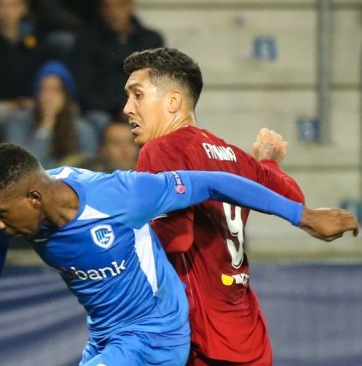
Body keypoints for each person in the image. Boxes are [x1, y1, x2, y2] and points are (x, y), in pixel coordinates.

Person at [0, 143, 358, 366]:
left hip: (155, 336)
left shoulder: (120, 196)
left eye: (1, 214)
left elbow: (211, 182)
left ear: (34, 196)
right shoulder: (18, 211)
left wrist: (301, 216)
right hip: (105, 339)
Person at [122, 47, 308, 365]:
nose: (127, 108)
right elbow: (294, 199)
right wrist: (268, 164)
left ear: (173, 101)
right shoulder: (234, 156)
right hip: (248, 337)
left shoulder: (160, 149)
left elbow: (176, 239)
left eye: (137, 95)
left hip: (199, 339)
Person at [71, 0, 163, 124]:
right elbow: (84, 88)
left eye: (119, 5)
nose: (113, 12)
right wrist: (117, 108)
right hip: (102, 112)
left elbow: (157, 83)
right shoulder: (87, 40)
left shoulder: (151, 40)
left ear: (130, 5)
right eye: (106, 7)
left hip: (140, 110)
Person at [6, 61, 97, 168]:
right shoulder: (20, 121)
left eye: (56, 90)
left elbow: (88, 168)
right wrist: (46, 126)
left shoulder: (81, 129)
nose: (48, 96)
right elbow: (20, 168)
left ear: (66, 95)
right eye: (44, 90)